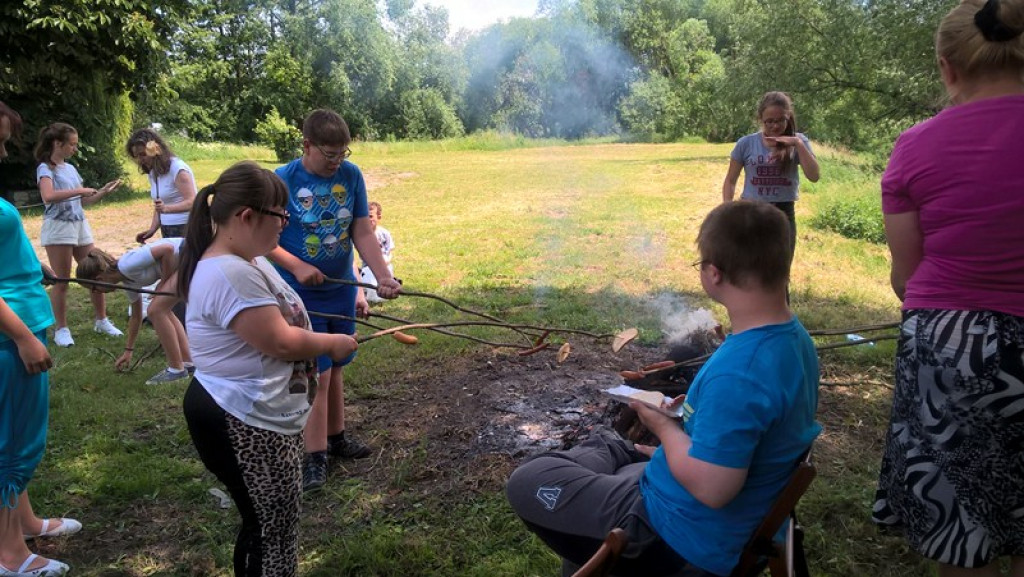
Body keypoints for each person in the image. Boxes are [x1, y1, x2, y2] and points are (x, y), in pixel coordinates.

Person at [506, 201, 821, 577]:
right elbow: (756, 419)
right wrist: (699, 413)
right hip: (710, 517)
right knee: (611, 456)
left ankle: (611, 454)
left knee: (530, 479)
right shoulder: (793, 340)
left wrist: (665, 428)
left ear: (714, 274)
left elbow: (713, 488)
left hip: (674, 534)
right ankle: (614, 455)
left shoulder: (740, 372)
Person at [872, 1, 1024, 575]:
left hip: (949, 348)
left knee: (961, 526)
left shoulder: (916, 146)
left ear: (947, 67)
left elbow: (907, 277)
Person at [177, 161, 358, 577]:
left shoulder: (247, 258)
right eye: (280, 214)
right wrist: (332, 343)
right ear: (246, 217)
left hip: (256, 417)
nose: (286, 223)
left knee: (275, 521)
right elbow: (279, 340)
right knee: (268, 527)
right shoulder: (228, 272)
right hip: (239, 420)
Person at [268, 109, 400, 493]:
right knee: (317, 373)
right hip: (302, 293)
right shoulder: (283, 180)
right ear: (306, 145)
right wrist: (297, 266)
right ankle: (314, 456)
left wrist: (382, 277)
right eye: (329, 154)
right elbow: (266, 238)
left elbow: (361, 230)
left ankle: (337, 437)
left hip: (341, 287)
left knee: (337, 365)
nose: (336, 162)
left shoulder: (351, 175)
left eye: (342, 153)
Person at [1, 101, 78, 577]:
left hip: (23, 321)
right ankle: (9, 556)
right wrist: (25, 339)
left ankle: (24, 522)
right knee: (12, 444)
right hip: (11, 338)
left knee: (14, 434)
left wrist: (35, 268)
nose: (5, 147)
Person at [34, 122, 123, 348]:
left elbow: (83, 201)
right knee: (62, 281)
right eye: (71, 144)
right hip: (59, 227)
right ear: (57, 143)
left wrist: (101, 192)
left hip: (79, 224)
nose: (75, 148)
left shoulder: (71, 169)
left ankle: (101, 320)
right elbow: (48, 196)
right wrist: (80, 190)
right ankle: (61, 330)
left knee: (96, 272)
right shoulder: (46, 168)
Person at [75, 240, 193, 385]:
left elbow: (167, 249)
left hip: (192, 254)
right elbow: (136, 316)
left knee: (156, 311)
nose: (96, 292)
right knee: (162, 310)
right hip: (186, 260)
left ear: (99, 279)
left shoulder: (127, 265)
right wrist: (128, 351)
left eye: (93, 288)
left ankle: (176, 370)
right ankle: (188, 362)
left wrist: (164, 281)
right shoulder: (128, 281)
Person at [720, 91, 820, 260]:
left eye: (780, 120)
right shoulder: (746, 143)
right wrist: (728, 211)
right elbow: (730, 180)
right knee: (749, 268)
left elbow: (814, 176)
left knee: (780, 271)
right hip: (751, 211)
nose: (775, 126)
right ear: (760, 119)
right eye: (769, 122)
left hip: (783, 212)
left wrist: (797, 143)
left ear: (788, 117)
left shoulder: (799, 141)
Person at [127, 128, 197, 241]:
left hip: (186, 228)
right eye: (136, 156)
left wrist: (167, 209)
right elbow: (160, 205)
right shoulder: (153, 172)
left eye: (143, 154)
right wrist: (152, 229)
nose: (140, 160)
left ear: (155, 149)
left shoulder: (178, 169)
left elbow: (193, 201)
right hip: (167, 228)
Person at [359, 201, 396, 303]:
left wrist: (386, 261)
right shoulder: (361, 236)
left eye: (370, 216)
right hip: (368, 267)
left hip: (386, 266)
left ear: (378, 217)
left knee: (386, 282)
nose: (368, 220)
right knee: (371, 284)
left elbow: (390, 251)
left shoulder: (384, 233)